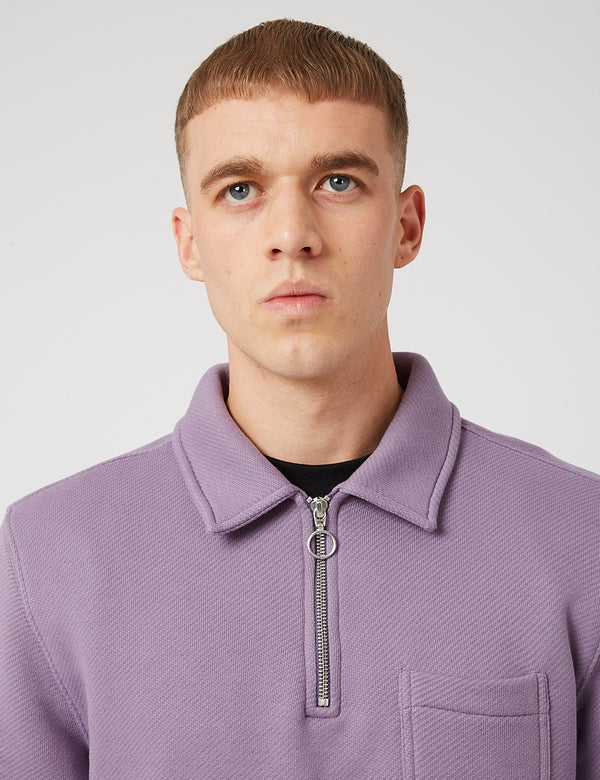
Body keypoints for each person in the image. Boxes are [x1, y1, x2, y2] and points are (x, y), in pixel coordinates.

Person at [0, 18, 598, 779]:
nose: (292, 234)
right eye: (240, 190)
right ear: (190, 242)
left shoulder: (582, 538)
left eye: (338, 182)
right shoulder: (49, 555)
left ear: (407, 226)